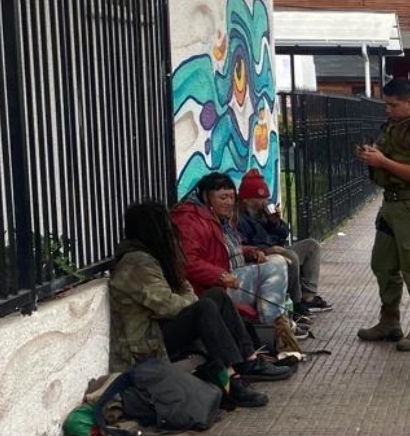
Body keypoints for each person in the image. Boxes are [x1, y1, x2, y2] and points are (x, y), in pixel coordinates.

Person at [107, 201, 284, 409]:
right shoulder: (137, 263)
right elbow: (169, 306)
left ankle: (248, 359)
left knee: (217, 296)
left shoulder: (150, 257)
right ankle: (231, 380)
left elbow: (182, 287)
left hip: (158, 330)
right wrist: (190, 296)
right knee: (204, 308)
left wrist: (180, 278)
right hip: (147, 343)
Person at [355, 78, 410, 352]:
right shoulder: (395, 126)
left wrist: (382, 162)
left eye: (393, 105)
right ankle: (389, 320)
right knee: (383, 264)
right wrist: (372, 155)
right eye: (387, 104)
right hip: (391, 205)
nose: (388, 110)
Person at [171, 172, 297, 333]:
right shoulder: (190, 220)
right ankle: (273, 328)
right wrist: (219, 275)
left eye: (231, 197)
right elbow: (186, 262)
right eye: (223, 198)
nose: (229, 203)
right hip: (212, 289)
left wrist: (251, 251)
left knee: (277, 260)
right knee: (276, 265)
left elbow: (224, 248)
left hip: (229, 276)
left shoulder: (216, 217)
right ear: (206, 197)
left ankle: (277, 323)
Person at [236, 168, 331, 316]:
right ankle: (296, 303)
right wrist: (268, 249)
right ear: (247, 199)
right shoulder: (239, 218)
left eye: (265, 198)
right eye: (260, 198)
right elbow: (243, 246)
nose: (264, 202)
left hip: (276, 249)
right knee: (290, 257)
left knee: (312, 246)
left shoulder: (262, 214)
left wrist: (275, 223)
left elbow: (283, 235)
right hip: (262, 255)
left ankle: (308, 296)